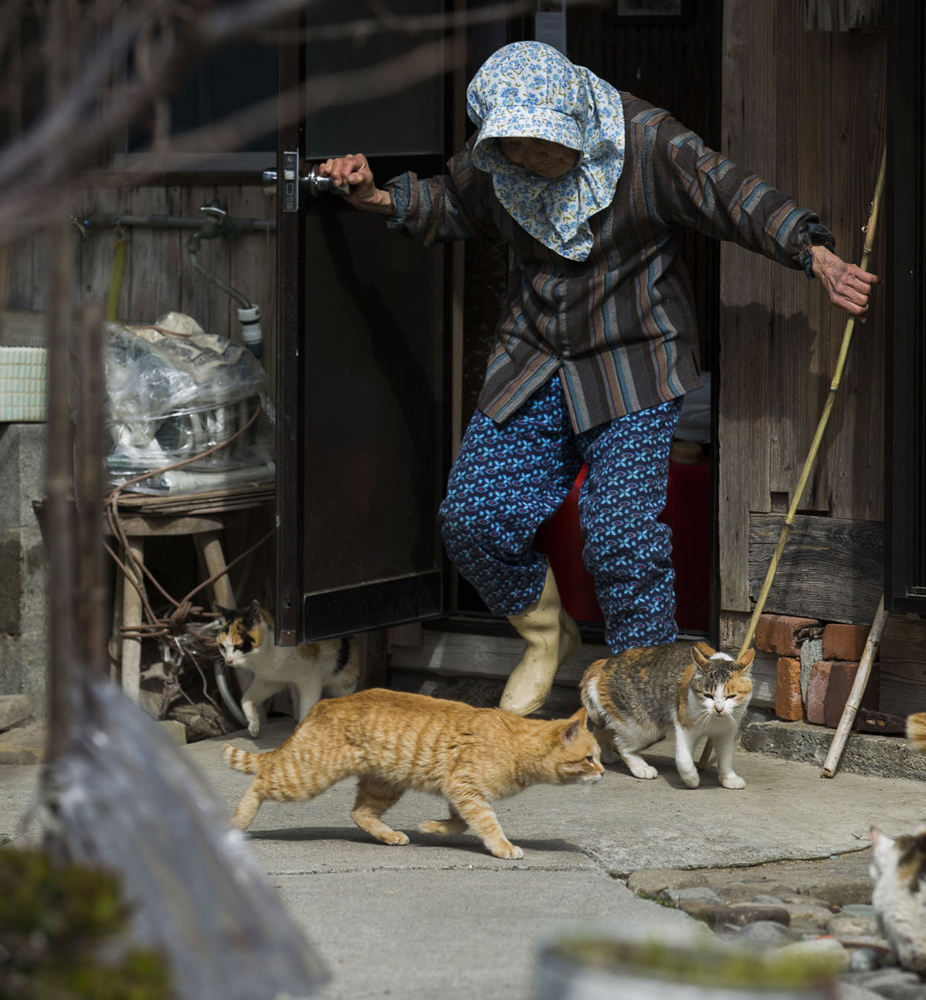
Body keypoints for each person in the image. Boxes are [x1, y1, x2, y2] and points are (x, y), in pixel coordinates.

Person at [321, 42, 878, 716]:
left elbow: (730, 193)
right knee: (473, 518)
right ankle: (544, 634)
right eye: (515, 148)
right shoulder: (499, 154)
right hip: (534, 357)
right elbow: (454, 204)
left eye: (540, 144)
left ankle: (647, 695)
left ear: (571, 116)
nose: (528, 159)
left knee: (620, 533)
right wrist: (374, 196)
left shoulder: (645, 143)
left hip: (633, 361)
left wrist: (812, 253)